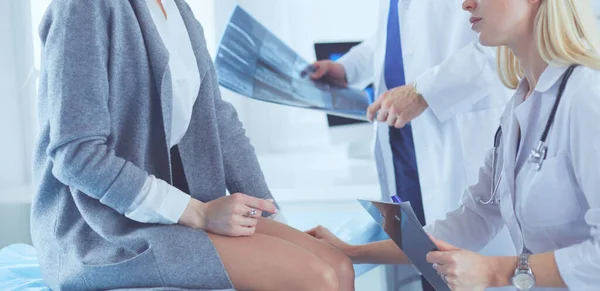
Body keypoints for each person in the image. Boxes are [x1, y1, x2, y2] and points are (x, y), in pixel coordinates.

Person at [31, 0, 354, 290]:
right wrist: (197, 213)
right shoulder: (84, 8)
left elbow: (219, 121)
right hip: (104, 228)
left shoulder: (179, 10)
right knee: (316, 277)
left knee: (338, 265)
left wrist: (270, 216)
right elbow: (76, 155)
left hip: (175, 212)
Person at [309, 0, 600, 290]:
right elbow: (473, 218)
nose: (466, 4)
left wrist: (496, 271)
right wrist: (351, 252)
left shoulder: (588, 97)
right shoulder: (519, 108)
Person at [311, 0, 515, 289]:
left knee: (463, 255)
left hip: (453, 129)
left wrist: (425, 91)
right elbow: (396, 37)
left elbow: (507, 33)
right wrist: (348, 68)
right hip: (403, 142)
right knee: (426, 257)